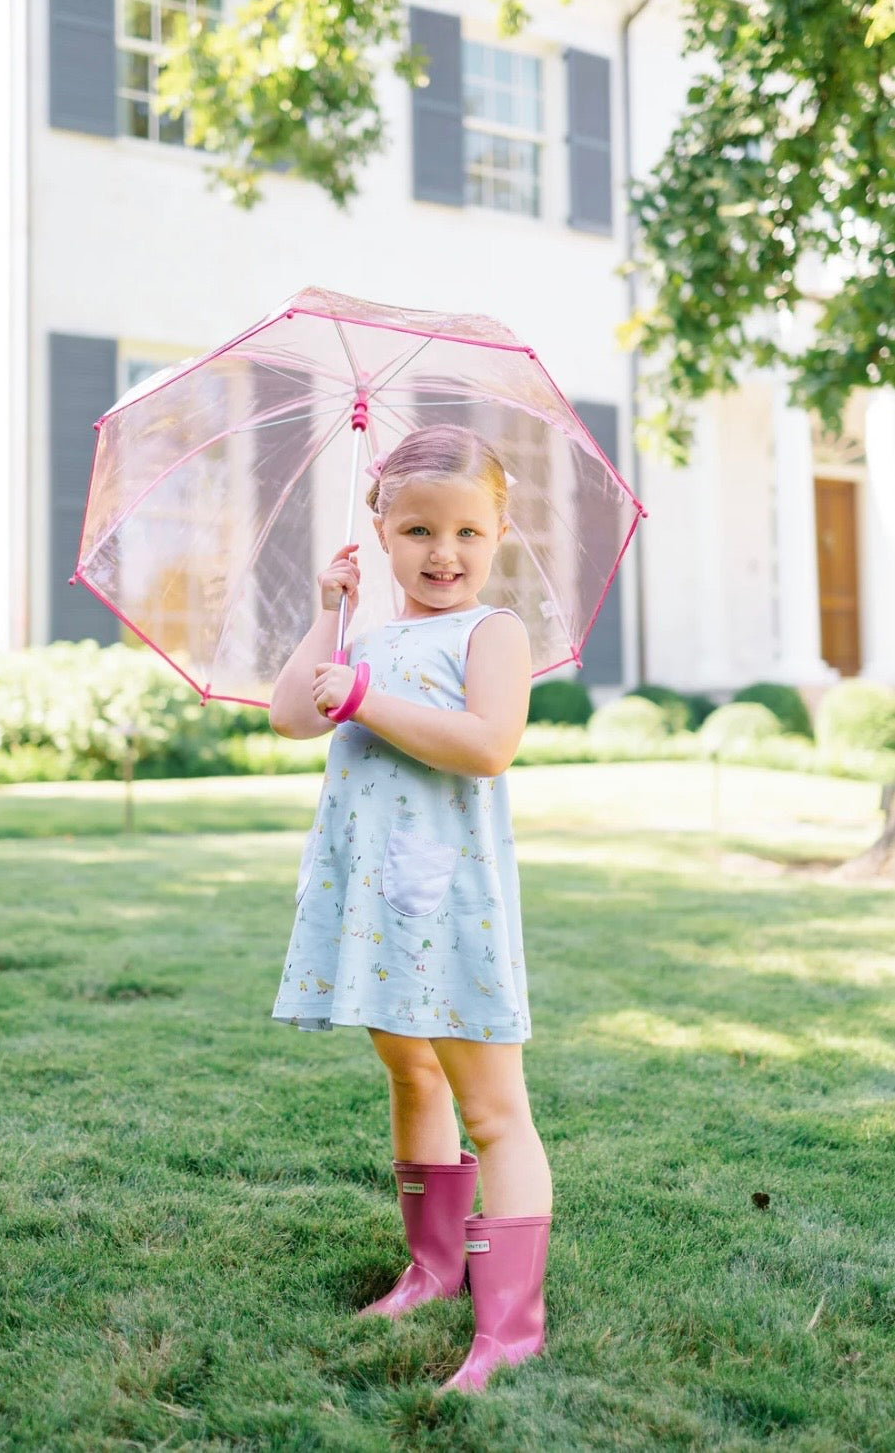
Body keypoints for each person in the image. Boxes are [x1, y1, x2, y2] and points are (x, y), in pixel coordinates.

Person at [267, 424, 552, 1394]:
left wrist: (366, 699)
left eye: (469, 533)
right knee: (411, 1076)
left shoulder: (492, 633)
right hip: (378, 903)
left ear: (499, 533)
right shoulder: (368, 636)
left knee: (492, 1107)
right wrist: (329, 619)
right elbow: (292, 712)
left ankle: (510, 1325)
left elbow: (486, 743)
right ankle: (433, 1267)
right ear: (381, 531)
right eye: (420, 529)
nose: (445, 553)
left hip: (451, 905)